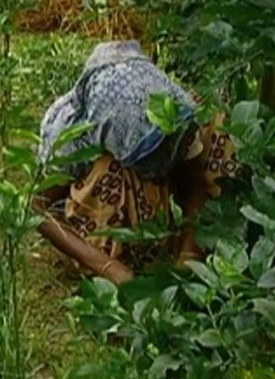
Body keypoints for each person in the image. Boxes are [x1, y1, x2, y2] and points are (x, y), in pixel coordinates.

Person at [32, 41, 240, 284]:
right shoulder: (71, 137)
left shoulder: (169, 111)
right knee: (108, 169)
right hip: (92, 230)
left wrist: (188, 254)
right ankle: (127, 257)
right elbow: (39, 209)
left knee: (213, 128)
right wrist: (109, 267)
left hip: (158, 201)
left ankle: (216, 236)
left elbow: (195, 181)